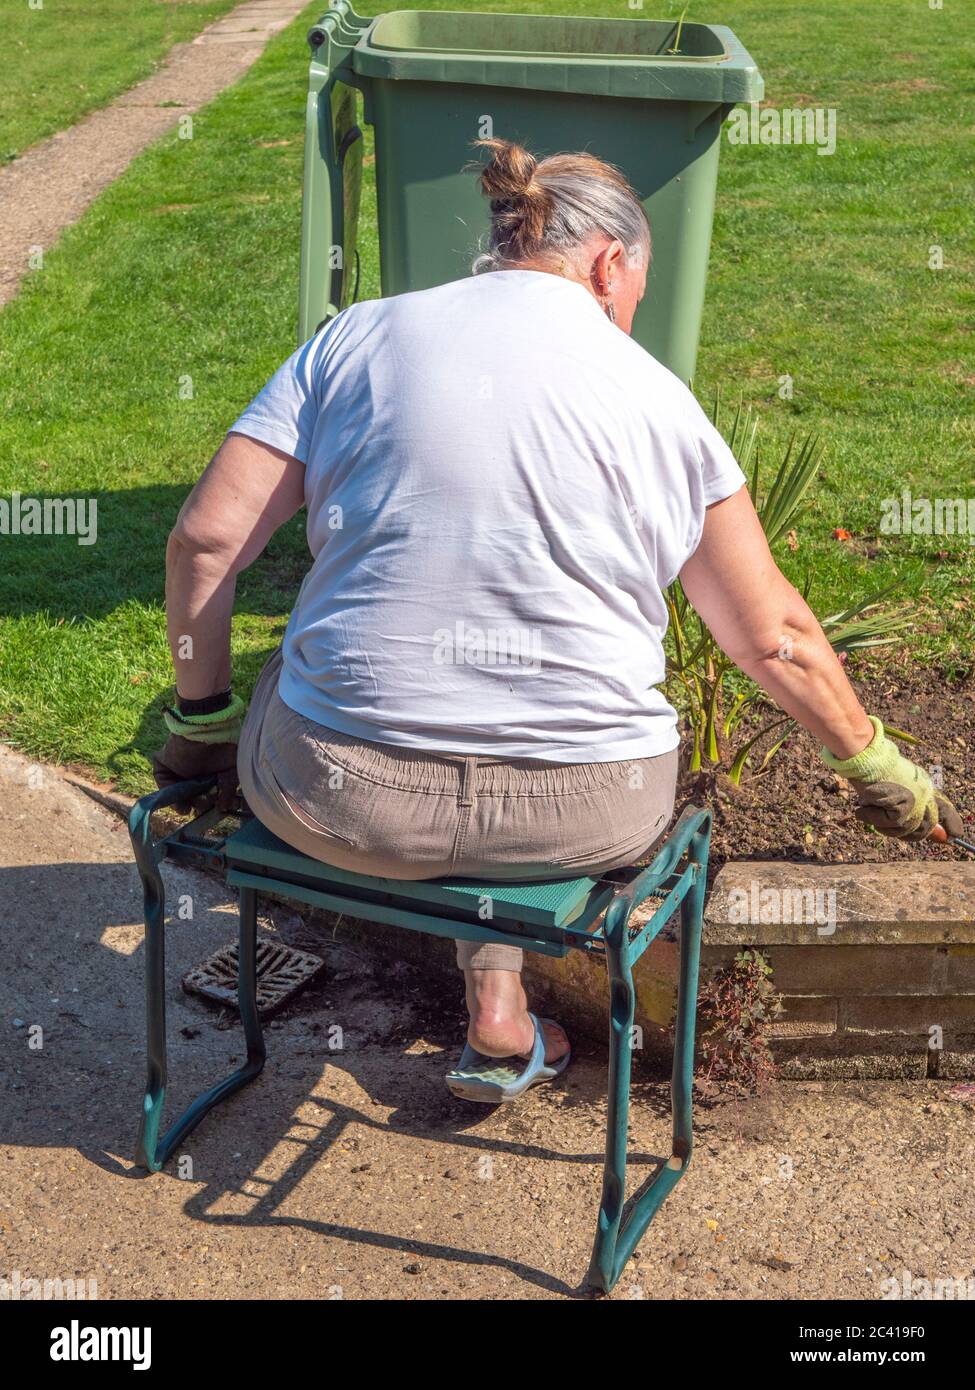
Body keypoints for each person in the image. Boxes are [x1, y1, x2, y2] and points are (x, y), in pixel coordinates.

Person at [154, 138, 961, 1101]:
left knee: (342, 668)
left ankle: (496, 1012)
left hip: (337, 801)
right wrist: (876, 769)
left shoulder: (356, 338)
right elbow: (772, 636)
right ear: (609, 263)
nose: (628, 316)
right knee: (511, 708)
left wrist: (201, 724)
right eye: (633, 294)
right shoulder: (660, 405)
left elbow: (205, 544)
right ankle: (497, 1016)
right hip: (587, 808)